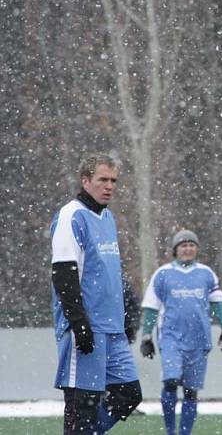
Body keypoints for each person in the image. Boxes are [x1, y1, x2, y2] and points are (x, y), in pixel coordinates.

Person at [50, 153, 142, 434]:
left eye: (113, 180)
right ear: (85, 181)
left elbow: (109, 271)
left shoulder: (107, 217)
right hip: (86, 328)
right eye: (103, 179)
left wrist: (125, 313)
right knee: (83, 405)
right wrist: (80, 324)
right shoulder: (71, 215)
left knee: (129, 394)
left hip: (112, 328)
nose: (109, 186)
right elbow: (64, 274)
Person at [139, 229, 222, 435]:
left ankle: (184, 433)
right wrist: (146, 336)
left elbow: (218, 302)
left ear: (197, 249)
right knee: (171, 382)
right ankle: (170, 431)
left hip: (199, 341)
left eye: (191, 245)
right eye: (183, 245)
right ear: (176, 250)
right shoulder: (163, 274)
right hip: (171, 338)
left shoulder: (206, 274)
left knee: (191, 391)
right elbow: (151, 307)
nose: (187, 249)